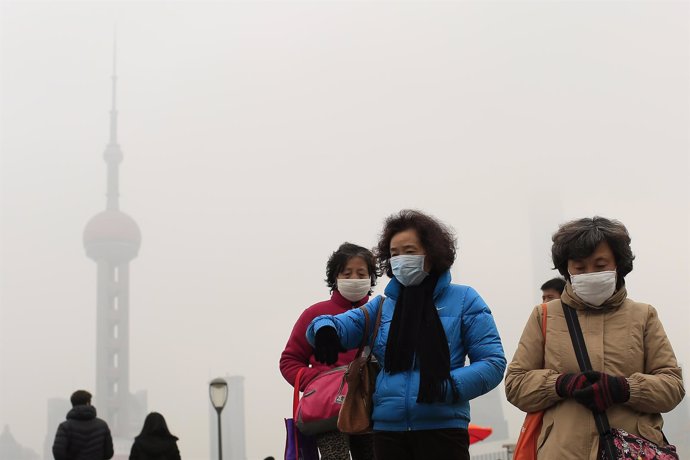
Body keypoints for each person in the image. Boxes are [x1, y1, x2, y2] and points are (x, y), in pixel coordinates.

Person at [307, 210, 506, 460]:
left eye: (409, 251)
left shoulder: (465, 299)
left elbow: (493, 363)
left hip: (443, 428)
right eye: (394, 254)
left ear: (432, 253)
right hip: (388, 431)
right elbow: (338, 325)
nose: (400, 259)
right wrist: (324, 328)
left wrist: (448, 387)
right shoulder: (382, 306)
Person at [505, 216, 685, 459]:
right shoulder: (544, 315)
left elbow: (672, 387)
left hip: (631, 451)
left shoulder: (644, 315)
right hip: (562, 452)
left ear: (618, 265)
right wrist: (560, 384)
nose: (589, 273)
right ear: (566, 269)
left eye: (600, 266)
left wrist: (625, 389)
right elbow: (515, 385)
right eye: (579, 267)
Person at [280, 242, 379, 460]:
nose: (354, 278)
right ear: (335, 277)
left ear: (372, 278)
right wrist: (317, 380)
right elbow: (289, 361)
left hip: (371, 406)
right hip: (328, 410)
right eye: (347, 273)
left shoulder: (380, 314)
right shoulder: (314, 314)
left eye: (361, 273)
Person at [52, 390, 114, 460]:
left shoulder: (64, 427)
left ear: (73, 404)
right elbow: (109, 453)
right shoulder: (102, 426)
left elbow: (58, 453)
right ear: (88, 403)